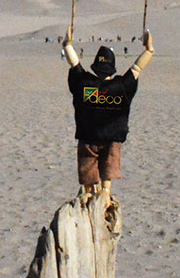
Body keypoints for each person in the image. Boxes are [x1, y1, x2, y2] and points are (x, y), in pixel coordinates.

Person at [63, 26, 153, 197]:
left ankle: (92, 193)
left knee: (88, 172)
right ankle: (105, 192)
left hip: (88, 138)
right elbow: (136, 69)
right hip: (111, 139)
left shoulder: (84, 84)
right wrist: (149, 50)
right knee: (108, 171)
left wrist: (67, 45)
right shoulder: (121, 86)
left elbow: (74, 64)